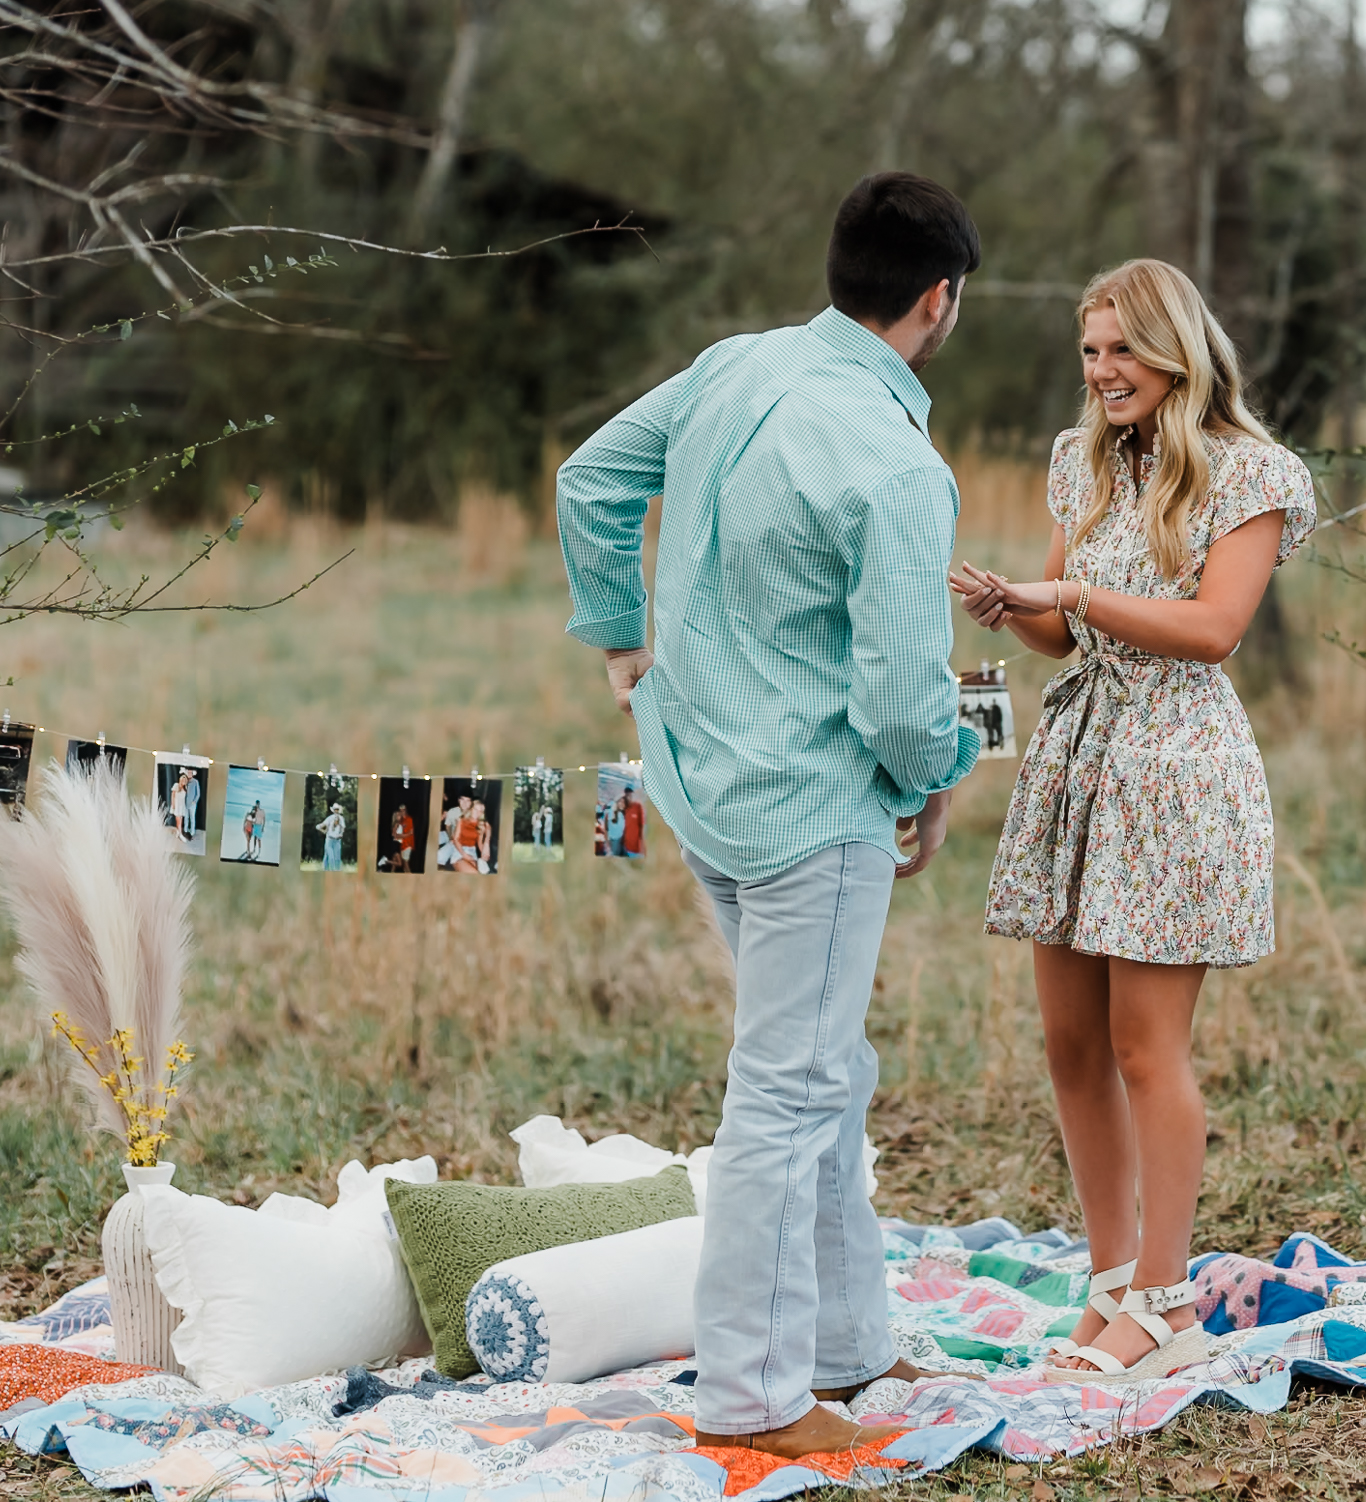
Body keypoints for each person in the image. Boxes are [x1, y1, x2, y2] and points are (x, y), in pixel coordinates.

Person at [557, 172, 982, 1457]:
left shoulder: (733, 365)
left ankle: (847, 1344)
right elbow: (906, 704)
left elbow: (589, 480)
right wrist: (936, 776)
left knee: (822, 1074)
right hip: (811, 811)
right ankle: (751, 1399)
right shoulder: (899, 467)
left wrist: (620, 645)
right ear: (937, 301)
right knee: (788, 1095)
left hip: (700, 782)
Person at [950, 258, 1316, 1386]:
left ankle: (1166, 1299)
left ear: (1174, 352)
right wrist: (1018, 609)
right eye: (1090, 352)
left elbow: (1211, 628)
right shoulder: (1082, 461)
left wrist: (1069, 597)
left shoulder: (1250, 470)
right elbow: (1064, 635)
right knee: (1068, 1045)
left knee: (1140, 1045)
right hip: (1078, 757)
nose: (1101, 372)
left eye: (1120, 350)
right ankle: (1109, 1281)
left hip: (1175, 766)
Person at [318, 801, 346, 871]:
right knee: (330, 857)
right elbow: (320, 826)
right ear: (333, 810)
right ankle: (328, 870)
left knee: (337, 857)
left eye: (337, 809)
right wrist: (324, 831)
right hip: (330, 839)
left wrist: (341, 834)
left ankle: (334, 871)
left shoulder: (341, 818)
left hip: (337, 840)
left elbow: (343, 828)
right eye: (335, 809)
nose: (336, 811)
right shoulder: (330, 818)